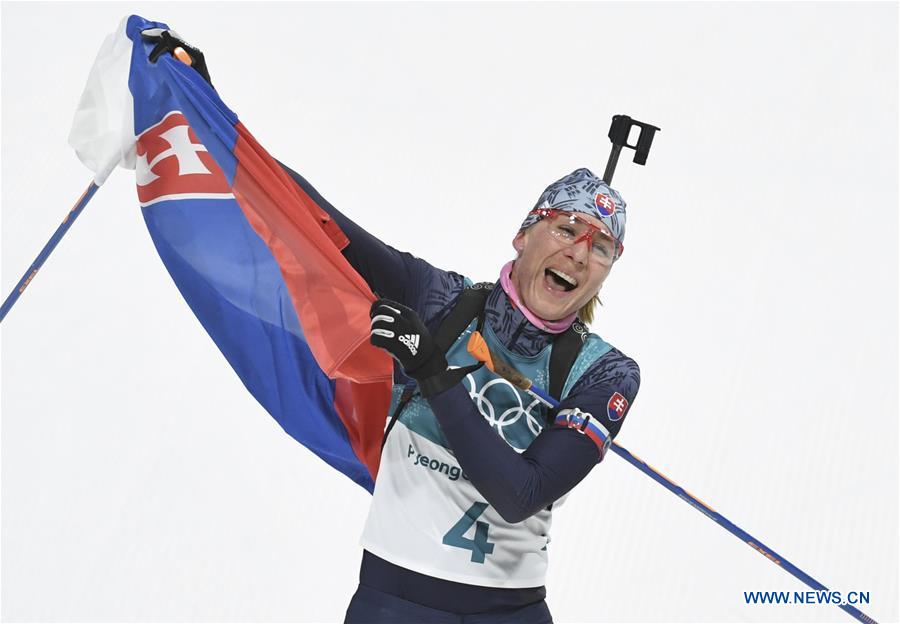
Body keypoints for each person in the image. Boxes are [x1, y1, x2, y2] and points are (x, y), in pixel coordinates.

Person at [144, 30, 640, 624]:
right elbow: (317, 224)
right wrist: (213, 116)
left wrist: (431, 370)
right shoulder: (441, 300)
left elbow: (519, 494)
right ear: (523, 234)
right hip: (394, 605)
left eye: (602, 248)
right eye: (566, 229)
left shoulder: (605, 374)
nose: (580, 254)